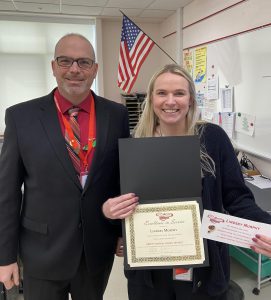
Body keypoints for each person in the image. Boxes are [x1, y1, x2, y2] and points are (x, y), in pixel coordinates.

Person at [102, 64, 271, 300]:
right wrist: (109, 212)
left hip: (204, 268)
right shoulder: (135, 144)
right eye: (162, 93)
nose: (170, 101)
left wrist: (266, 227)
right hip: (150, 268)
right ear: (151, 98)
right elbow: (118, 199)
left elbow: (237, 197)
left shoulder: (212, 138)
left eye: (179, 93)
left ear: (190, 98)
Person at [0, 33, 130, 300]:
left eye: (83, 62)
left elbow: (120, 179)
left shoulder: (116, 115)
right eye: (65, 61)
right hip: (42, 251)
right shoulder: (20, 117)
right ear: (53, 66)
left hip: (96, 249)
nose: (74, 69)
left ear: (94, 69)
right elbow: (7, 193)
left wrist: (121, 232)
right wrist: (5, 256)